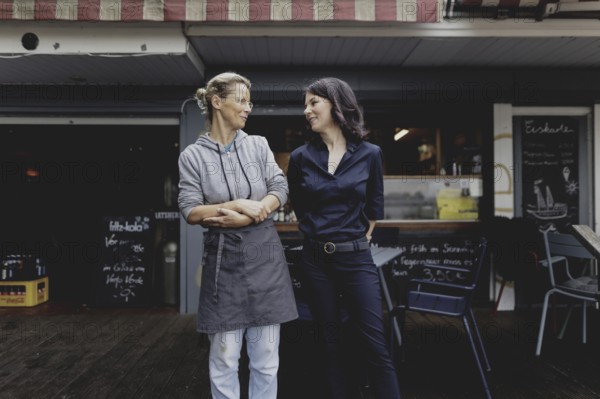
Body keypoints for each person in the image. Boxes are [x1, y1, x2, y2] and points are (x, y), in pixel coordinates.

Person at [178, 72, 298, 399]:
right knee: (225, 358)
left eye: (250, 102)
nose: (248, 108)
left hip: (265, 262)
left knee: (266, 360)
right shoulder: (193, 156)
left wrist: (260, 209)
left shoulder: (258, 145)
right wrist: (236, 205)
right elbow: (190, 209)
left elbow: (280, 187)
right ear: (217, 102)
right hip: (223, 265)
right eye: (241, 101)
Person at [287, 77, 401, 399]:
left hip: (355, 259)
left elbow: (374, 211)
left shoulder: (370, 154)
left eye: (313, 103)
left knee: (374, 343)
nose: (306, 111)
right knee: (329, 341)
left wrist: (350, 237)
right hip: (316, 261)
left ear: (336, 105)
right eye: (305, 104)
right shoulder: (300, 158)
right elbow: (299, 207)